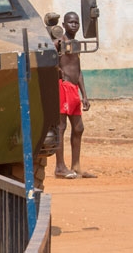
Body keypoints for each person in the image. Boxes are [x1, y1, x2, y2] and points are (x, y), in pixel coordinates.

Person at [54, 11, 96, 179]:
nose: (74, 25)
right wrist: (60, 74)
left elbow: (78, 71)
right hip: (62, 87)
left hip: (73, 90)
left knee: (79, 128)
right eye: (70, 22)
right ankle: (59, 167)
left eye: (76, 22)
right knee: (61, 127)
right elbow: (51, 63)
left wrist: (84, 94)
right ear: (63, 25)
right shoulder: (58, 42)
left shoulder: (75, 44)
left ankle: (76, 166)